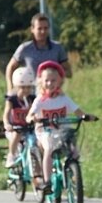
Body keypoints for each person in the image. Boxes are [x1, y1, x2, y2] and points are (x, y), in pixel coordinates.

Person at [26, 61, 95, 194]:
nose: (50, 84)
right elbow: (30, 115)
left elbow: (78, 112)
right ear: (41, 81)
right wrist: (31, 118)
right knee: (49, 149)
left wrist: (87, 116)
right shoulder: (40, 100)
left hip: (62, 131)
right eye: (47, 80)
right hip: (45, 131)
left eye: (53, 80)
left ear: (60, 81)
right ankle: (47, 181)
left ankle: (74, 173)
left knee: (73, 147)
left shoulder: (64, 99)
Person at [5, 13, 72, 94]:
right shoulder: (25, 48)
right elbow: (10, 67)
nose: (43, 31)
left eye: (45, 28)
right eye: (39, 28)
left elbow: (68, 72)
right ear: (32, 29)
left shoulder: (57, 48)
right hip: (29, 95)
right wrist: (10, 88)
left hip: (51, 94)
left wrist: (56, 76)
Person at [3, 67, 36, 168]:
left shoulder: (32, 99)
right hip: (15, 128)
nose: (26, 90)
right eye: (23, 87)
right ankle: (11, 155)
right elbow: (6, 113)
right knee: (17, 134)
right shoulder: (12, 99)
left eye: (28, 87)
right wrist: (7, 124)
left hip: (28, 128)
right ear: (16, 87)